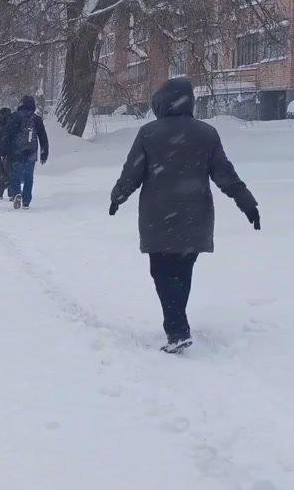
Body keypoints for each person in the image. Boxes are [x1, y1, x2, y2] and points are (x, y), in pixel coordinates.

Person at [109, 77, 259, 353]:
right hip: (195, 216)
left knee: (162, 272)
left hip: (158, 215)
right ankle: (178, 322)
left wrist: (117, 196)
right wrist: (246, 202)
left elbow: (132, 173)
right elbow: (225, 175)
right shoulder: (206, 133)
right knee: (182, 270)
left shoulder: (148, 133)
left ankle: (177, 328)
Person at [3, 95, 48, 209]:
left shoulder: (15, 117)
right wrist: (44, 152)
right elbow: (43, 137)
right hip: (32, 152)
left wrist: (4, 151)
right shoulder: (36, 119)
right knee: (29, 176)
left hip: (16, 151)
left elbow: (7, 135)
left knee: (15, 174)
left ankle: (17, 193)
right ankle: (26, 201)